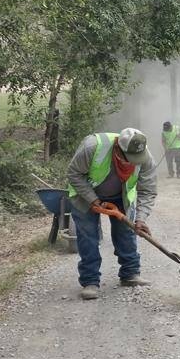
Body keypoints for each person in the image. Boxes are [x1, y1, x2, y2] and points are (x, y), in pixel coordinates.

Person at [66, 128, 158, 300]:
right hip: (85, 194)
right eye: (129, 159)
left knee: (126, 232)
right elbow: (73, 174)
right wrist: (93, 199)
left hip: (120, 196)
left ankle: (130, 274)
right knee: (88, 236)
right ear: (118, 149)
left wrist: (141, 218)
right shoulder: (92, 147)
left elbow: (148, 190)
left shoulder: (145, 157)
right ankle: (90, 281)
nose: (133, 162)